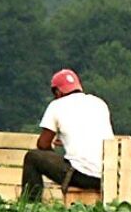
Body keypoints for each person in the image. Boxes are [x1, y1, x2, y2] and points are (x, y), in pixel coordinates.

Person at [22, 69, 114, 201]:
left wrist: (53, 152)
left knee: (33, 157)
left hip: (81, 176)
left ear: (58, 92)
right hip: (106, 175)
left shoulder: (56, 105)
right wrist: (65, 139)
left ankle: (30, 205)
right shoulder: (99, 103)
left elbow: (43, 144)